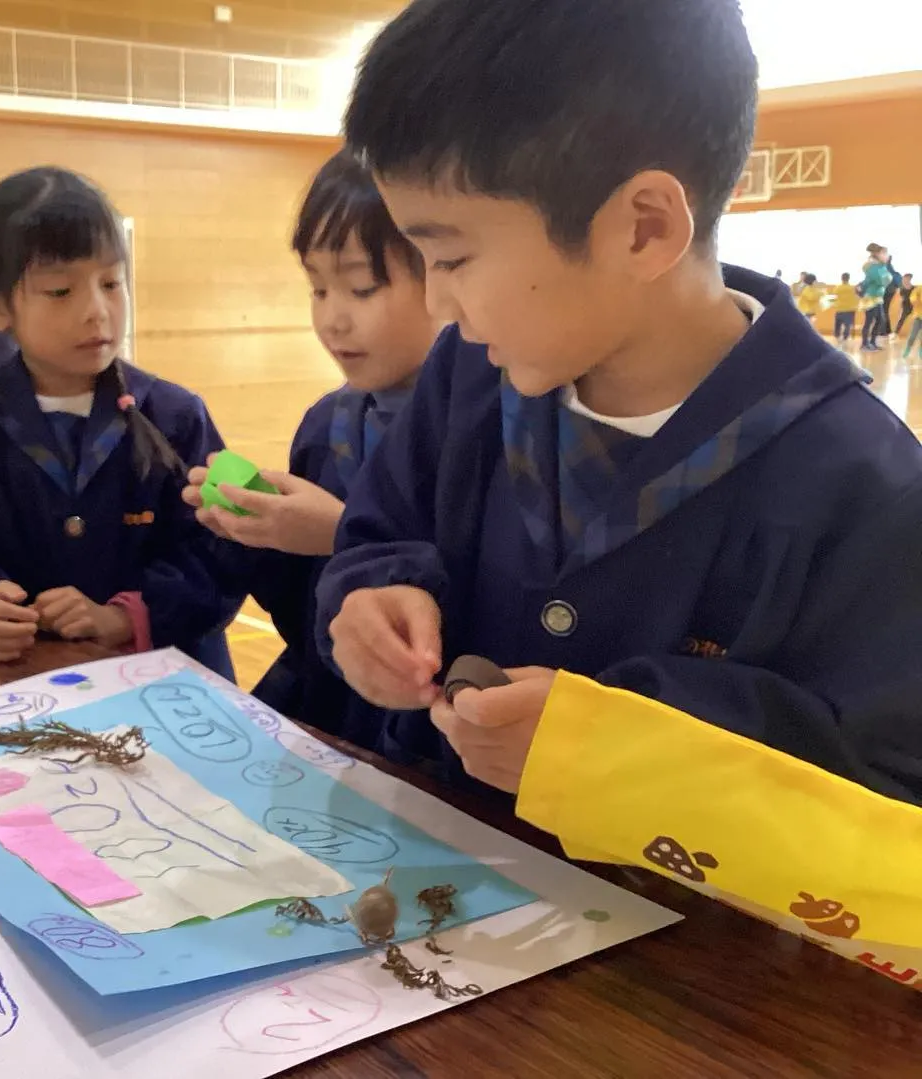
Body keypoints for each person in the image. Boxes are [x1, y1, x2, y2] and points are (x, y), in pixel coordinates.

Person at [320, 0, 922, 950]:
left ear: (643, 228)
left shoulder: (867, 486)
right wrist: (372, 597)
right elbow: (382, 528)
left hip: (689, 973)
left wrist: (612, 757)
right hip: (436, 900)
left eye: (453, 257)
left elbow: (882, 809)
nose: (438, 304)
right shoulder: (468, 379)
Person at [0, 167, 242, 677]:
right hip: (24, 686)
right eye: (61, 291)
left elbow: (221, 554)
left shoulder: (177, 415)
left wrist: (125, 617)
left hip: (166, 688)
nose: (97, 311)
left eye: (111, 283)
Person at [181, 151, 438, 749]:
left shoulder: (481, 435)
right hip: (328, 716)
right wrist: (257, 534)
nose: (332, 319)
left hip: (424, 739)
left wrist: (339, 534)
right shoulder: (328, 425)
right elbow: (302, 616)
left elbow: (476, 600)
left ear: (447, 274)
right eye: (318, 288)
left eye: (361, 287)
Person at [860, 243, 891, 351]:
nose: (886, 256)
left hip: (878, 298)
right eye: (884, 253)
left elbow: (887, 279)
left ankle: (872, 342)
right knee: (869, 321)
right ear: (877, 254)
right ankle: (864, 344)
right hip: (870, 298)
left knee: (880, 320)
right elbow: (883, 280)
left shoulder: (881, 266)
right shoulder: (872, 267)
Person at [830, 271, 859, 344]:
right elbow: (857, 297)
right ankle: (845, 338)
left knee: (838, 324)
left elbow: (833, 298)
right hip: (850, 309)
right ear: (849, 278)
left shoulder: (837, 288)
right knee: (847, 325)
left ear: (841, 278)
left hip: (839, 309)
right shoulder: (852, 288)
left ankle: (837, 336)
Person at [897, 272, 915, 336]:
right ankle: (896, 333)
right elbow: (902, 297)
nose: (906, 280)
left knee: (918, 320)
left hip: (914, 306)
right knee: (902, 319)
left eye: (908, 278)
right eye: (905, 278)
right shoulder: (902, 288)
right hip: (906, 306)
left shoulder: (914, 287)